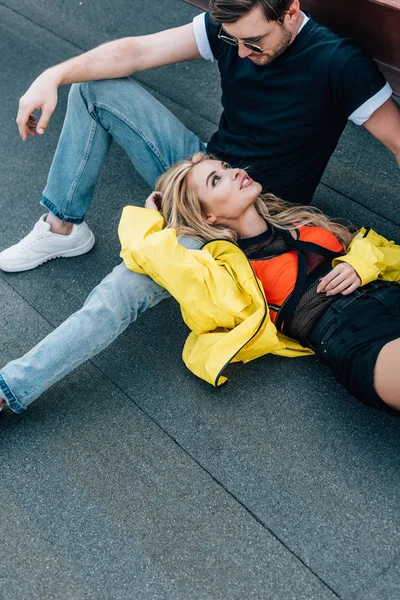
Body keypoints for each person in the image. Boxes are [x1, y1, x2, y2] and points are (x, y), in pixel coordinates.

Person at [1, 0, 399, 272]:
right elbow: (136, 52)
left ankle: (14, 388)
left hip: (259, 212)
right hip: (208, 166)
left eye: (254, 42)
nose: (241, 53)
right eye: (233, 40)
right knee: (92, 88)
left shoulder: (339, 63)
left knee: (138, 277)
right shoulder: (231, 29)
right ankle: (63, 229)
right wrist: (51, 75)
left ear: (291, 12)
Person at [1, 153, 399, 416]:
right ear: (206, 218)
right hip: (354, 340)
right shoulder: (227, 272)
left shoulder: (302, 221)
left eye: (225, 167)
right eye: (216, 180)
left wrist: (362, 264)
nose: (235, 172)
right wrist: (158, 222)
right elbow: (158, 260)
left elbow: (382, 248)